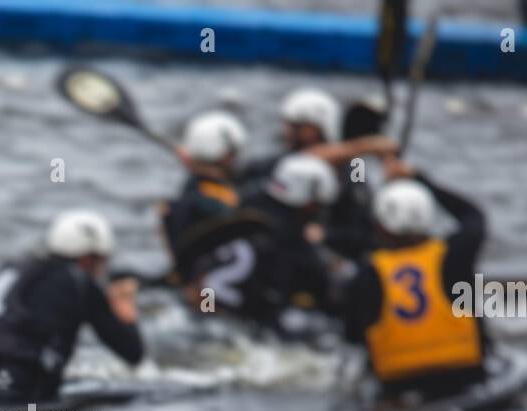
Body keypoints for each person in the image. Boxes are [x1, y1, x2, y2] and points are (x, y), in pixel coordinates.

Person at [0, 211, 144, 402]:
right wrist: (125, 308)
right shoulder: (78, 280)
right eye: (101, 260)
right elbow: (132, 352)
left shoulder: (14, 266)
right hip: (16, 386)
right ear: (88, 258)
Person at [340, 159, 492, 400]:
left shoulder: (366, 273)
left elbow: (352, 336)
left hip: (397, 386)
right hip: (464, 377)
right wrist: (420, 178)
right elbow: (473, 217)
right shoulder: (454, 256)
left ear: (380, 226)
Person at [185, 154, 340, 334]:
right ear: (308, 203)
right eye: (317, 205)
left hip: (201, 305)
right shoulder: (297, 249)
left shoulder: (244, 205)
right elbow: (323, 294)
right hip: (237, 326)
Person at [242, 87, 397, 260]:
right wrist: (363, 146)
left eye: (298, 127)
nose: (288, 132)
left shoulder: (354, 169)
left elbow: (362, 230)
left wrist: (326, 235)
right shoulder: (275, 165)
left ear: (321, 128)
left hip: (330, 254)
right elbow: (299, 161)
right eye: (289, 125)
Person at [160, 111, 248, 275]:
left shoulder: (184, 196)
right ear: (226, 155)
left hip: (199, 284)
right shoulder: (222, 198)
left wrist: (195, 164)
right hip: (213, 285)